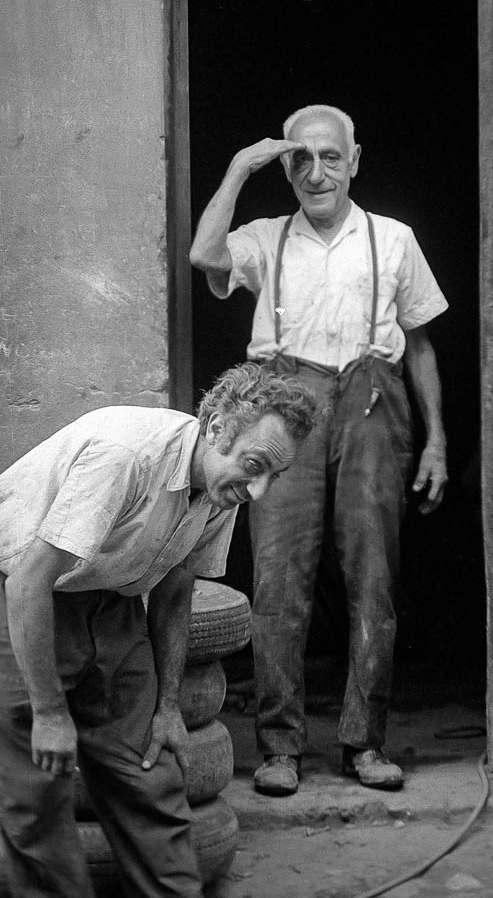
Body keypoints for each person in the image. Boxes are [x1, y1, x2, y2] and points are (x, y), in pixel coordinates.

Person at [190, 104, 448, 798]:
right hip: (284, 409)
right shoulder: (265, 238)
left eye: (330, 157)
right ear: (286, 168)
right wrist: (240, 167)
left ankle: (366, 743)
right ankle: (280, 747)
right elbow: (204, 256)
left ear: (354, 161)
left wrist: (437, 442)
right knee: (279, 580)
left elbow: (420, 344)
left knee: (373, 576)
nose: (316, 173)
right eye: (300, 159)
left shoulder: (394, 239)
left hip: (373, 403)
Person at [0, 362, 318, 898]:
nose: (260, 490)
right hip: (20, 597)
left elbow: (175, 590)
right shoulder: (126, 455)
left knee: (150, 773)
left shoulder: (222, 487)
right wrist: (50, 714)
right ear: (216, 427)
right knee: (37, 797)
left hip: (112, 602)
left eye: (274, 475)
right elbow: (29, 581)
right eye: (255, 466)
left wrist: (168, 705)